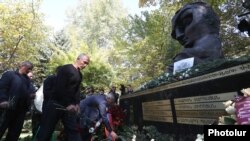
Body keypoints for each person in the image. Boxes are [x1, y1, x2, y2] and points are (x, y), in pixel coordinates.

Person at [36, 53, 90, 141]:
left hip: (69, 108)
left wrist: (77, 104)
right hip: (56, 104)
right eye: (84, 62)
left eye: (87, 64)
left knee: (73, 130)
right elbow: (60, 88)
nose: (85, 65)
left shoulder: (79, 75)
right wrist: (68, 103)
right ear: (78, 59)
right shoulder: (66, 69)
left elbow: (76, 92)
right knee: (46, 131)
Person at [0, 61, 34, 141]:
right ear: (22, 65)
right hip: (8, 107)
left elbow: (30, 91)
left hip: (21, 110)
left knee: (15, 133)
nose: (29, 70)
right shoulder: (10, 74)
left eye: (31, 69)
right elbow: (2, 88)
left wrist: (32, 95)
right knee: (1, 128)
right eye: (28, 68)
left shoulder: (28, 80)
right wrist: (2, 100)